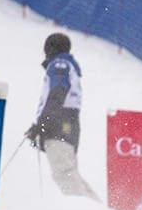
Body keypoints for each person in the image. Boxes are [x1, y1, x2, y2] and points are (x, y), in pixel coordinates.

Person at [25, 32, 97, 198]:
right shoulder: (68, 65)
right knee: (70, 173)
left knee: (64, 173)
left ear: (50, 48)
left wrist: (43, 124)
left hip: (59, 125)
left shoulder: (59, 65)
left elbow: (58, 93)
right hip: (67, 124)